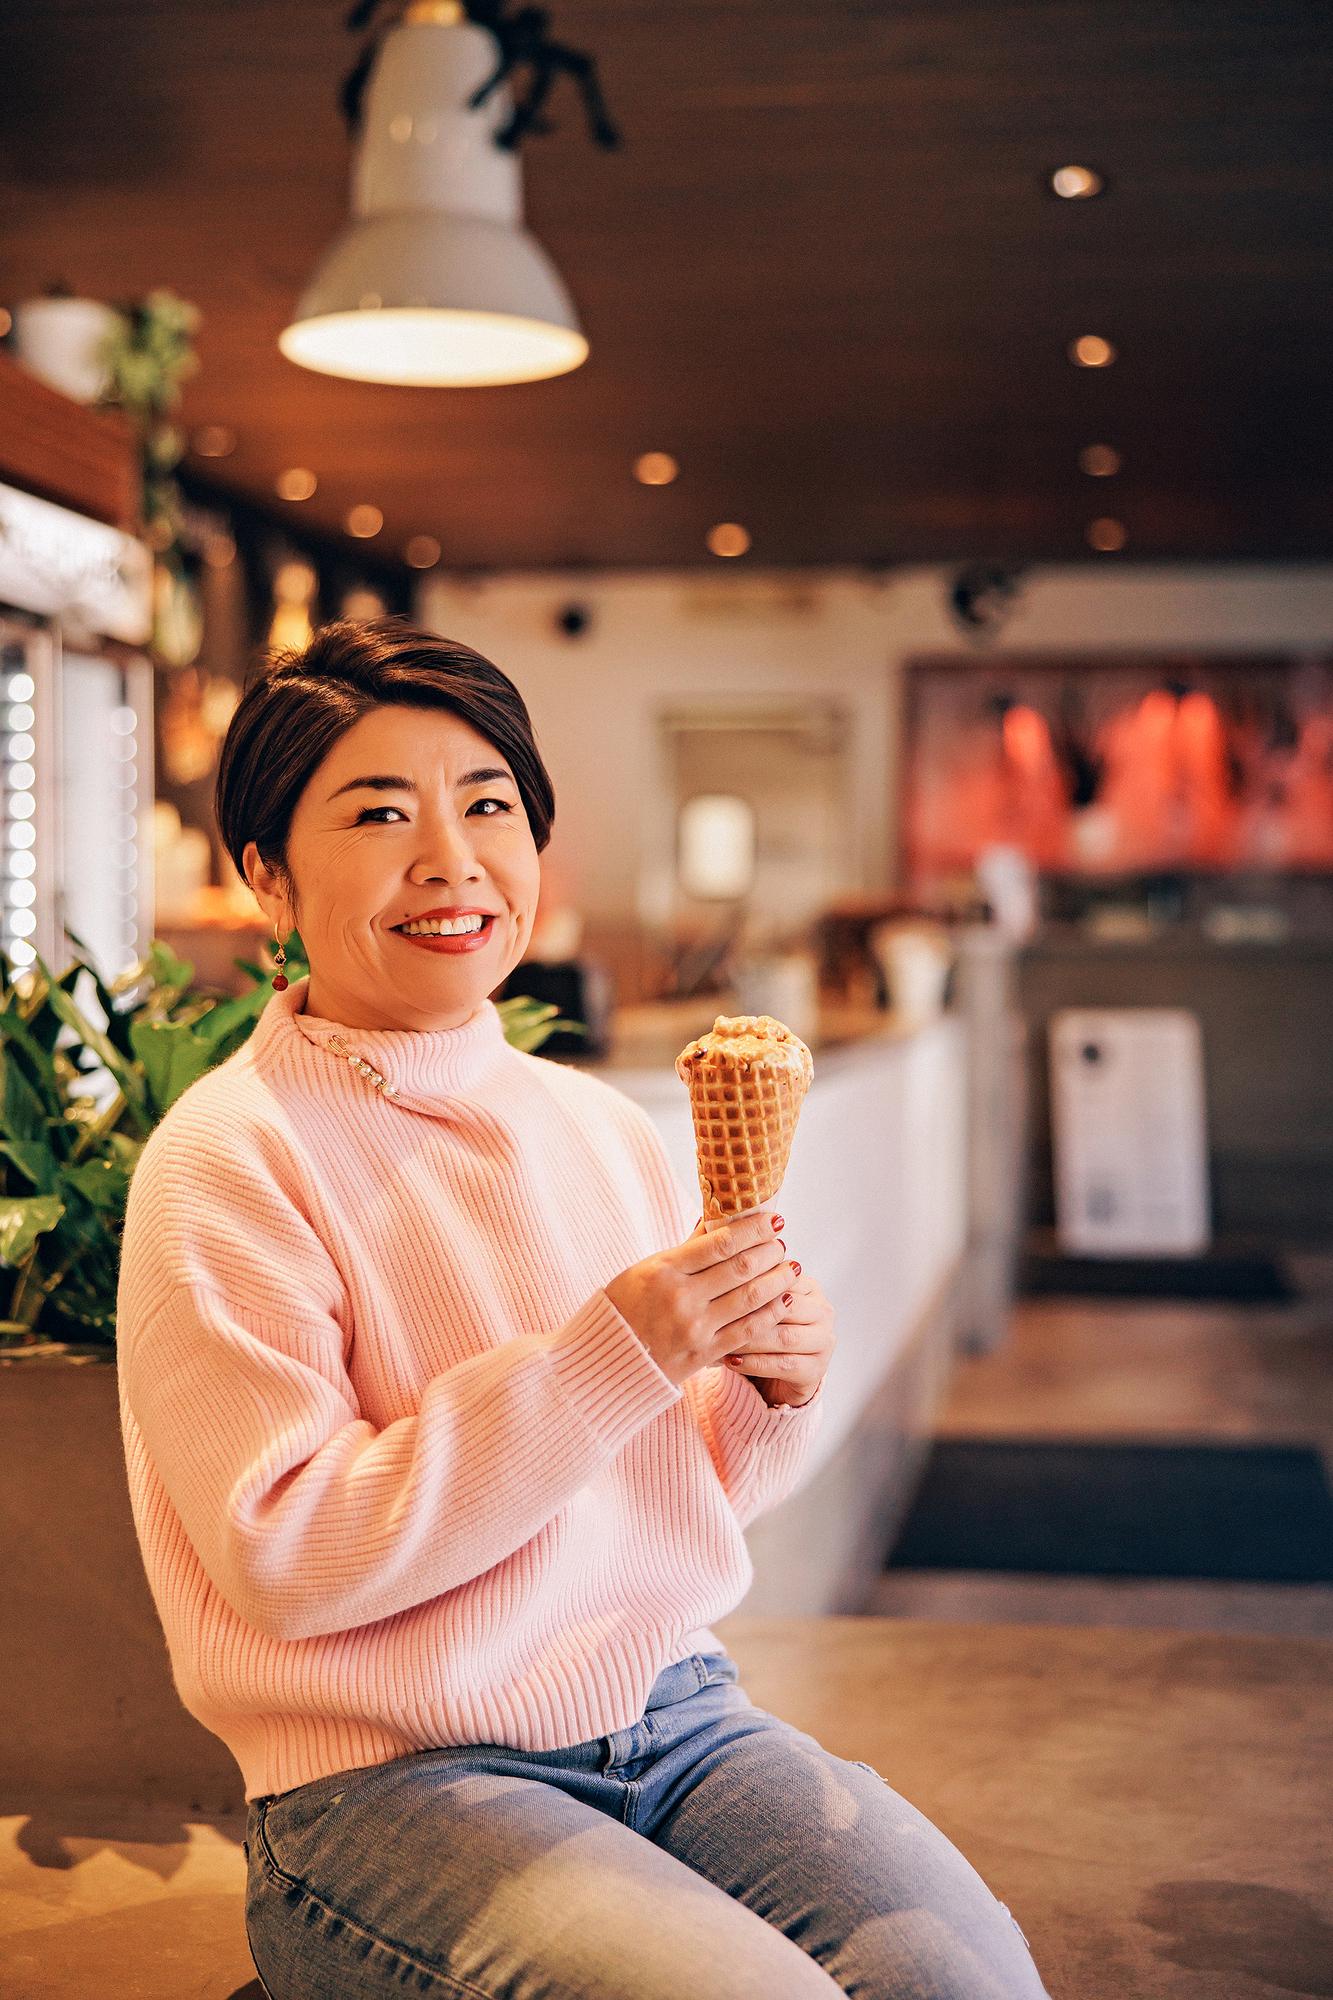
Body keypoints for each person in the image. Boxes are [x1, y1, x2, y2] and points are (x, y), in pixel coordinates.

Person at [116, 617, 1049, 1998]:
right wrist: (612, 1355)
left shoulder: (598, 1124)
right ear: (265, 875)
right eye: (378, 813)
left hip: (676, 1716)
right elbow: (285, 1553)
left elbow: (678, 1489)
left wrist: (768, 1389)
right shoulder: (227, 1159)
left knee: (970, 1982)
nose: (451, 859)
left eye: (488, 805)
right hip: (386, 1786)